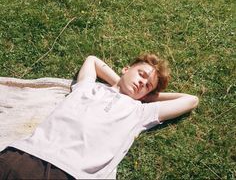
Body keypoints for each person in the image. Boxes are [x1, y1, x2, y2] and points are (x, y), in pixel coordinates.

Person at [0, 53, 199, 179]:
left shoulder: (140, 112)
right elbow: (92, 60)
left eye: (147, 85)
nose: (142, 83)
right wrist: (120, 84)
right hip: (22, 155)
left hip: (69, 173)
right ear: (126, 69)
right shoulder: (87, 87)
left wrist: (147, 98)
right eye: (141, 74)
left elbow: (191, 100)